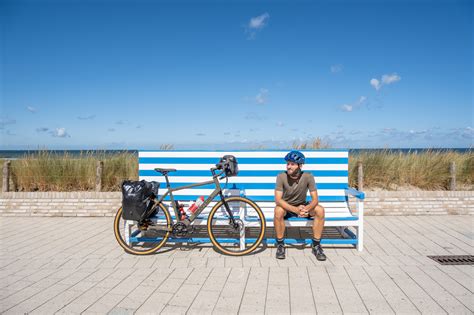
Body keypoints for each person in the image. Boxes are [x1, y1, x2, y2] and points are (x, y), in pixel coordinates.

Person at [274, 150, 326, 260]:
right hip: (287, 207)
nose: (288, 166)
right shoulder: (281, 176)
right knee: (278, 211)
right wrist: (295, 210)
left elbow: (315, 199)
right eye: (288, 163)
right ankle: (280, 244)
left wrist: (306, 209)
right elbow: (278, 200)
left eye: (292, 164)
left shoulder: (308, 176)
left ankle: (316, 245)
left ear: (300, 166)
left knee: (320, 210)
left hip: (302, 206)